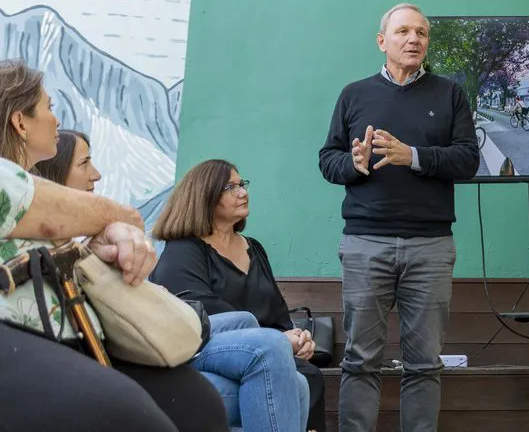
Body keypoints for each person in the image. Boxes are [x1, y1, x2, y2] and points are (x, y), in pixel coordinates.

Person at [0, 58, 227, 431]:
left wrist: (102, 242)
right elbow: (116, 216)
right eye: (49, 108)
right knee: (121, 413)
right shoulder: (18, 187)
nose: (57, 119)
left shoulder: (42, 190)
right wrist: (116, 224)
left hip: (76, 326)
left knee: (198, 404)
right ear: (21, 122)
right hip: (19, 330)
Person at [36, 130, 310, 432]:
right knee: (270, 348)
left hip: (165, 333)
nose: (98, 174)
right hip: (140, 352)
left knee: (290, 373)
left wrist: (292, 336)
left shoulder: (84, 244)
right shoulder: (47, 252)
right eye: (85, 163)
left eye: (241, 185)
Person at [318, 3, 479, 432]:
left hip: (431, 246)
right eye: (404, 31)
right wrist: (354, 163)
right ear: (382, 41)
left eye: (421, 33)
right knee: (359, 360)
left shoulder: (450, 94)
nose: (413, 40)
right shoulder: (354, 94)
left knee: (424, 363)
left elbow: (468, 159)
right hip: (365, 243)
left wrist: (414, 156)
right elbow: (328, 161)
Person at [149, 159, 326, 432]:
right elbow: (202, 312)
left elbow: (278, 313)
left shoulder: (253, 248)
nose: (243, 192)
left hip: (269, 353)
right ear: (204, 197)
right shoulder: (185, 249)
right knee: (289, 375)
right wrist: (278, 340)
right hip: (209, 349)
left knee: (307, 376)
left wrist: (298, 340)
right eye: (230, 187)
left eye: (242, 184)